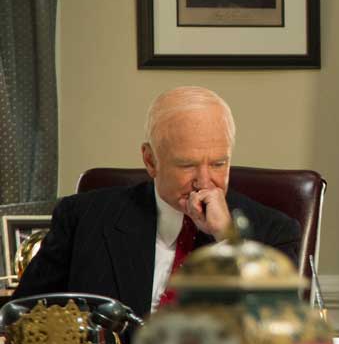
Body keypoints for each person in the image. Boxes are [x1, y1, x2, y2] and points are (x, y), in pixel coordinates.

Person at [12, 86, 300, 323]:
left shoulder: (274, 231)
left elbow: (282, 329)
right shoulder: (83, 219)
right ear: (150, 160)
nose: (204, 181)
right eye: (187, 165)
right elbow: (21, 315)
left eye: (218, 163)